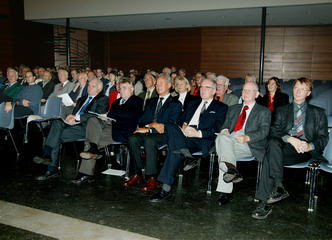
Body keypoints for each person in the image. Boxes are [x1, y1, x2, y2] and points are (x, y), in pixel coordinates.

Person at [252, 77, 328, 220]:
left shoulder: (318, 112)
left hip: (303, 150)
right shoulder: (282, 110)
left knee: (269, 155)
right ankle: (276, 189)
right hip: (284, 145)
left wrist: (309, 145)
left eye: (302, 89)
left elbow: (323, 138)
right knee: (273, 143)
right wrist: (291, 139)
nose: (298, 92)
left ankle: (267, 199)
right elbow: (274, 131)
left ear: (308, 93)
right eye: (296, 88)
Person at [149, 78, 228, 202]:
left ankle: (166, 189)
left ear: (213, 91)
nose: (202, 90)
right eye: (201, 87)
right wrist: (185, 125)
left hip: (201, 139)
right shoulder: (193, 103)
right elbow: (180, 119)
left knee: (174, 150)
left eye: (207, 87)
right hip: (184, 135)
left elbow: (218, 127)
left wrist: (198, 133)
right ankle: (186, 155)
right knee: (169, 125)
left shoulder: (221, 107)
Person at [71, 78, 144, 185]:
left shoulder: (137, 101)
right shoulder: (116, 102)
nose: (121, 91)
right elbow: (111, 115)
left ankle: (86, 173)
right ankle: (94, 150)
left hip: (123, 130)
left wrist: (109, 115)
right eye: (120, 88)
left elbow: (129, 115)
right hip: (109, 125)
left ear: (132, 89)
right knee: (92, 120)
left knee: (91, 140)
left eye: (124, 88)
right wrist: (104, 117)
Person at [34, 78, 109, 181]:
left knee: (55, 136)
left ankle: (50, 164)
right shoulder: (82, 99)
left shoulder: (103, 99)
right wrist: (70, 117)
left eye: (93, 86)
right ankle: (49, 157)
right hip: (73, 124)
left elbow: (96, 116)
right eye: (89, 86)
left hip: (87, 128)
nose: (89, 88)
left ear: (99, 89)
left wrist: (76, 118)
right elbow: (74, 112)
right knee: (56, 122)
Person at [214, 82, 271, 206]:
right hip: (230, 140)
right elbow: (226, 124)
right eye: (244, 90)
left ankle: (226, 190)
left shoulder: (263, 111)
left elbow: (264, 131)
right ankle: (231, 171)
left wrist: (247, 137)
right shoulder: (233, 108)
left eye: (250, 90)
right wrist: (225, 129)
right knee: (223, 139)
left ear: (256, 94)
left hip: (249, 144)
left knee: (222, 147)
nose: (246, 93)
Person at [123, 73, 182, 191]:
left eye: (161, 83)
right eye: (157, 84)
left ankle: (153, 177)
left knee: (150, 140)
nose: (158, 86)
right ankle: (137, 173)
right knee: (132, 138)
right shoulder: (151, 101)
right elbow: (142, 119)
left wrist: (151, 128)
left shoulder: (175, 103)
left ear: (169, 85)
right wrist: (152, 125)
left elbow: (170, 124)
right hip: (150, 131)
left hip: (165, 135)